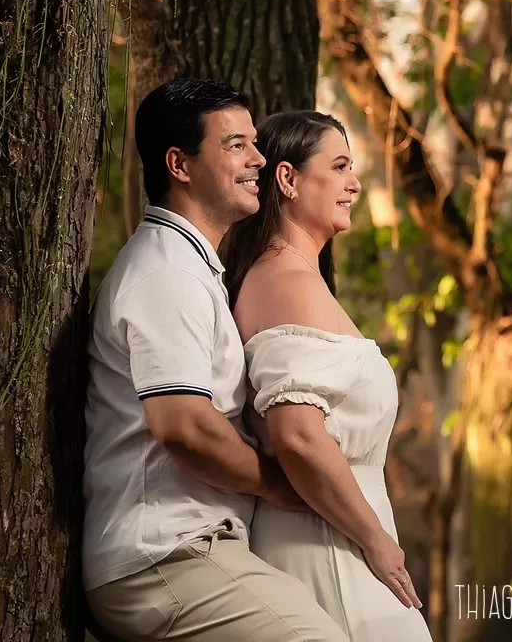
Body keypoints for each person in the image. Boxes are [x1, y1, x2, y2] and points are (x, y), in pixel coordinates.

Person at [84, 78, 348, 642]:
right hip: (165, 556)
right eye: (235, 145)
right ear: (179, 165)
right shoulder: (166, 272)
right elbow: (184, 427)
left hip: (193, 550)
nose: (258, 159)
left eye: (254, 143)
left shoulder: (192, 266)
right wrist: (280, 485)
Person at [226, 110, 432, 642]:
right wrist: (375, 540)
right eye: (339, 166)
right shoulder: (285, 281)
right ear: (288, 179)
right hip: (331, 544)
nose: (354, 183)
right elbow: (297, 434)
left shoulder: (294, 277)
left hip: (338, 533)